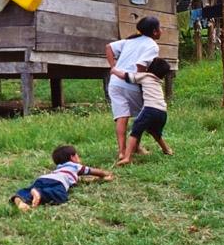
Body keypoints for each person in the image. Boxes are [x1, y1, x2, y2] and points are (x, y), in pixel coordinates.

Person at [105, 16, 161, 161]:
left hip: (115, 82)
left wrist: (114, 67)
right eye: (160, 28)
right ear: (155, 32)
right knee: (142, 117)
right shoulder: (152, 45)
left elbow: (109, 47)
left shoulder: (130, 41)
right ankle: (136, 147)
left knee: (121, 116)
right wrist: (142, 80)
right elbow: (140, 65)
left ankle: (122, 152)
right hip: (132, 82)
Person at [9, 145, 113, 211]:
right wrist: (105, 174)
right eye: (77, 156)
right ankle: (38, 193)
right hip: (58, 182)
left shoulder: (59, 169)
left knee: (26, 191)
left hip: (42, 179)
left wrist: (99, 180)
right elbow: (94, 172)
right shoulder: (75, 166)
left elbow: (82, 180)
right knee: (60, 195)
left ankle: (20, 200)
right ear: (72, 157)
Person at [111, 57, 174, 166]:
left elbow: (125, 76)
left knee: (135, 130)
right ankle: (167, 149)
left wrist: (114, 70)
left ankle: (127, 157)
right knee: (155, 132)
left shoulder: (145, 76)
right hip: (162, 112)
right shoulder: (158, 81)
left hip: (150, 109)